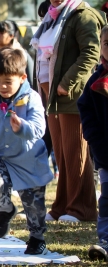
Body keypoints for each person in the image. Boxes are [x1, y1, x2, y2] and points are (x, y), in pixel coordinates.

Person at [0, 47, 53, 255]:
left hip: (29, 159)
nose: (2, 87)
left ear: (22, 78)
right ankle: (6, 210)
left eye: (8, 81)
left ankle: (36, 237)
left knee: (34, 203)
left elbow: (39, 128)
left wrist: (22, 126)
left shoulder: (32, 98)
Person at [31, 0, 106, 223]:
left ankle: (81, 209)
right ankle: (62, 205)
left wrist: (66, 83)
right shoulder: (52, 16)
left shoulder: (83, 15)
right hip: (51, 96)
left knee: (76, 154)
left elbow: (91, 52)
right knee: (62, 156)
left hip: (71, 94)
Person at [78, 25, 108, 261]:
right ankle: (105, 240)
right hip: (105, 153)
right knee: (107, 198)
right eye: (106, 44)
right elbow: (86, 113)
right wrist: (96, 142)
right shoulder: (95, 82)